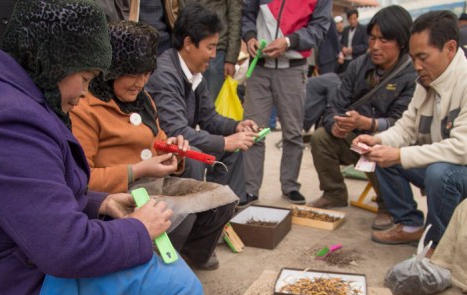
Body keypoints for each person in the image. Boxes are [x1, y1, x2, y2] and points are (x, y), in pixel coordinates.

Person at [0, 0, 206, 295]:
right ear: (53, 62)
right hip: (14, 288)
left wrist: (100, 205)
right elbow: (64, 250)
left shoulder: (17, 91)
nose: (84, 92)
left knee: (163, 264)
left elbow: (35, 196)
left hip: (22, 259)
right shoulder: (12, 120)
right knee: (178, 290)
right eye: (85, 76)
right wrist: (137, 230)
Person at [71, 20, 237, 271]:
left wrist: (173, 150)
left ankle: (189, 260)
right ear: (111, 70)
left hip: (154, 184)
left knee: (223, 199)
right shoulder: (85, 108)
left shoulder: (143, 99)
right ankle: (158, 270)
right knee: (181, 216)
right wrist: (137, 170)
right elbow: (82, 180)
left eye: (147, 74)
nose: (141, 82)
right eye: (133, 74)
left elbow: (156, 141)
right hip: (119, 194)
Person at [357, 10, 467, 247]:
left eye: (423, 57)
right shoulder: (425, 82)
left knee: (440, 173)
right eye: (413, 57)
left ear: (449, 48)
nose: (416, 66)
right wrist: (378, 140)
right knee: (383, 155)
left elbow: (462, 149)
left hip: (460, 170)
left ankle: (438, 245)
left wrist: (399, 154)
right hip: (446, 165)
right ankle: (410, 224)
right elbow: (405, 128)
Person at [309, 5, 416, 231]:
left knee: (378, 144)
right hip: (354, 137)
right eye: (372, 38)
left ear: (402, 41)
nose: (375, 46)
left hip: (389, 142)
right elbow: (334, 105)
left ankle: (387, 205)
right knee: (321, 137)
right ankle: (334, 193)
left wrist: (368, 125)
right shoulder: (359, 65)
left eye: (384, 40)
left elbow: (404, 123)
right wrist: (335, 125)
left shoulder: (411, 74)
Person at [150, 3, 258, 206]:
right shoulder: (164, 75)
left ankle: (225, 211)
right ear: (189, 43)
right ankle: (193, 220)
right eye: (210, 47)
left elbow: (210, 118)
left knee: (233, 149)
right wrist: (225, 141)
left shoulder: (195, 73)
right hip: (162, 146)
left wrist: (236, 127)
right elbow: (175, 130)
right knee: (193, 157)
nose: (214, 55)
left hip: (182, 139)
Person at [241, 0, 332, 205]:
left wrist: (290, 41)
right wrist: (250, 37)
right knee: (252, 131)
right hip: (260, 66)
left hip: (293, 67)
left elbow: (319, 28)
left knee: (293, 132)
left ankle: (290, 185)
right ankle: (250, 189)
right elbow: (246, 14)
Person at [182, 0, 243, 102]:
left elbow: (235, 15)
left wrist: (231, 58)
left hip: (216, 53)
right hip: (188, 49)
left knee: (211, 107)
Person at [338, 8, 368, 74]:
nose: (353, 21)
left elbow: (365, 45)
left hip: (357, 59)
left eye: (354, 19)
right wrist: (343, 48)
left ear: (357, 18)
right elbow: (340, 43)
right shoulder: (345, 30)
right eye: (351, 19)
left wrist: (353, 49)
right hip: (345, 60)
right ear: (348, 19)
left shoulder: (363, 29)